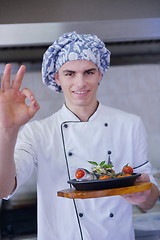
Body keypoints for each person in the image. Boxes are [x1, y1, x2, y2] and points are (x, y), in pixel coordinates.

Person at [0, 31, 159, 240]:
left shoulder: (129, 124)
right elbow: (4, 188)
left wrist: (145, 195)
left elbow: (149, 197)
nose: (81, 82)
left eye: (89, 72)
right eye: (70, 73)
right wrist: (8, 130)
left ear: (100, 73)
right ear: (57, 77)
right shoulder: (38, 132)